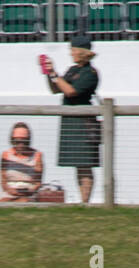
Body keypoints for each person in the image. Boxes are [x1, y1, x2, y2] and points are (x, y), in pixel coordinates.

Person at [44, 34, 100, 204]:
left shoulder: (90, 73)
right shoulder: (73, 70)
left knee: (85, 164)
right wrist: (49, 74)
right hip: (71, 121)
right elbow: (56, 89)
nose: (71, 53)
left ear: (82, 52)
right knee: (78, 163)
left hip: (83, 123)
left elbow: (70, 91)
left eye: (73, 50)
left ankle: (85, 201)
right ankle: (82, 200)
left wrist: (54, 73)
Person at [0, 123, 44, 201]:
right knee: (3, 202)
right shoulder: (5, 155)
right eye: (17, 142)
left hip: (29, 192)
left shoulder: (37, 155)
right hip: (9, 191)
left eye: (24, 142)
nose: (21, 145)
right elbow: (3, 181)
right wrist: (10, 190)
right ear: (12, 141)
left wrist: (30, 191)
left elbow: (38, 182)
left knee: (23, 201)